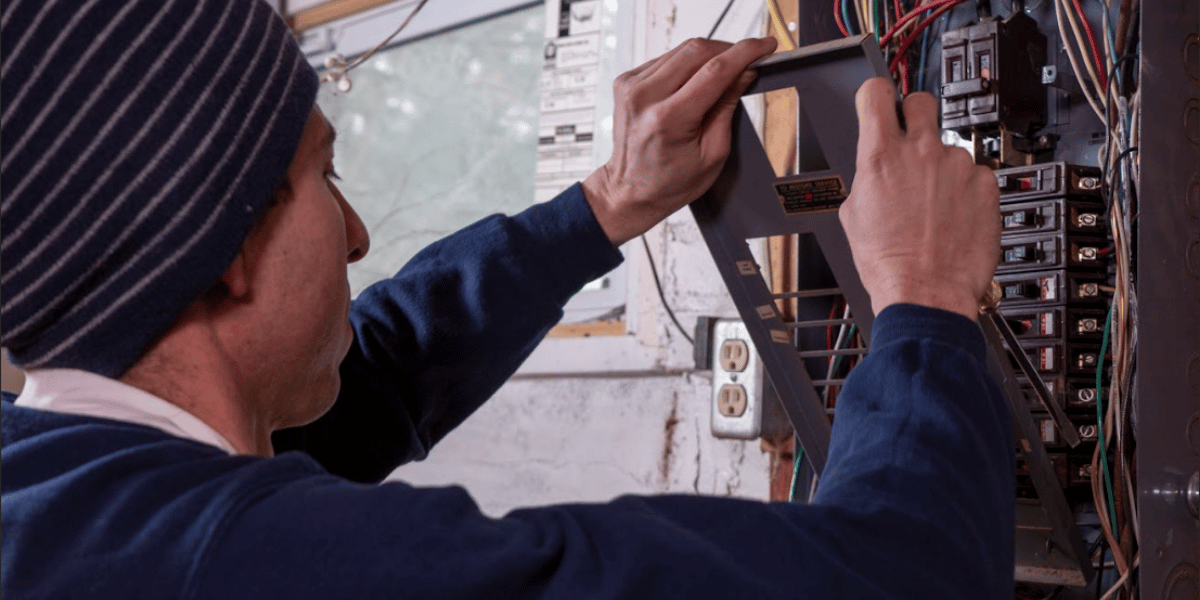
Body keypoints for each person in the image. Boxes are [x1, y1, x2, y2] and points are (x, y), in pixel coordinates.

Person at [0, 0, 1009, 598]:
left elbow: (374, 371)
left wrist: (605, 204)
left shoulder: (53, 479)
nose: (355, 234)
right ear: (216, 240)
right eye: (323, 176)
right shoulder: (249, 567)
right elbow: (908, 579)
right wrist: (922, 298)